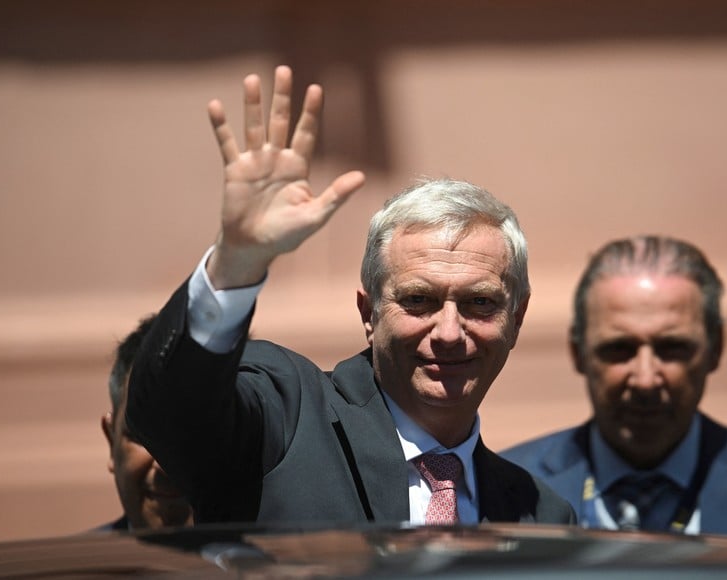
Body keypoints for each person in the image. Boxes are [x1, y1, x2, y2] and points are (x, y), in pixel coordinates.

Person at [125, 65, 575, 527]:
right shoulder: (286, 414)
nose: (448, 333)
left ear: (516, 319)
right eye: (418, 300)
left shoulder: (542, 516)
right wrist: (235, 263)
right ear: (369, 312)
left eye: (480, 303)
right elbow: (168, 415)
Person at [501, 235, 727, 540]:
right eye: (619, 350)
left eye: (672, 349)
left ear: (715, 349)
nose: (645, 379)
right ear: (577, 354)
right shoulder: (506, 490)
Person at [100, 314, 193, 531]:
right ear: (111, 441)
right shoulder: (77, 564)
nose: (164, 464)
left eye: (194, 435)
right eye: (142, 435)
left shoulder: (284, 562)